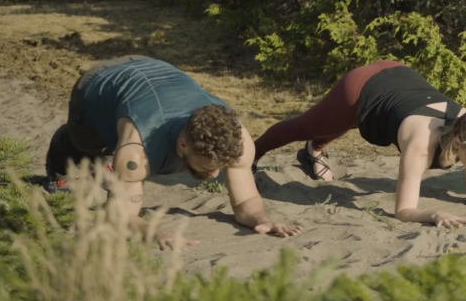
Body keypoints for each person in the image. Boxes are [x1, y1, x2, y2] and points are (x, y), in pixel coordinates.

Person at [253, 60, 466, 227]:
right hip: (363, 87)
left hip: (403, 83)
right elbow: (403, 211)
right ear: (459, 143)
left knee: (341, 124)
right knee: (311, 125)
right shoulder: (421, 146)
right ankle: (251, 153)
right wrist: (432, 214)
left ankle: (312, 152)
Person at [46, 56, 302, 249]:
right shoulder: (137, 152)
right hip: (101, 82)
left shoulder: (237, 140)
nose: (214, 174)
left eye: (219, 167)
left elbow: (245, 203)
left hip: (157, 68)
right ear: (183, 145)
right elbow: (120, 215)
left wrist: (264, 219)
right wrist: (153, 231)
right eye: (208, 166)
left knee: (118, 162)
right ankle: (68, 142)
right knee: (85, 146)